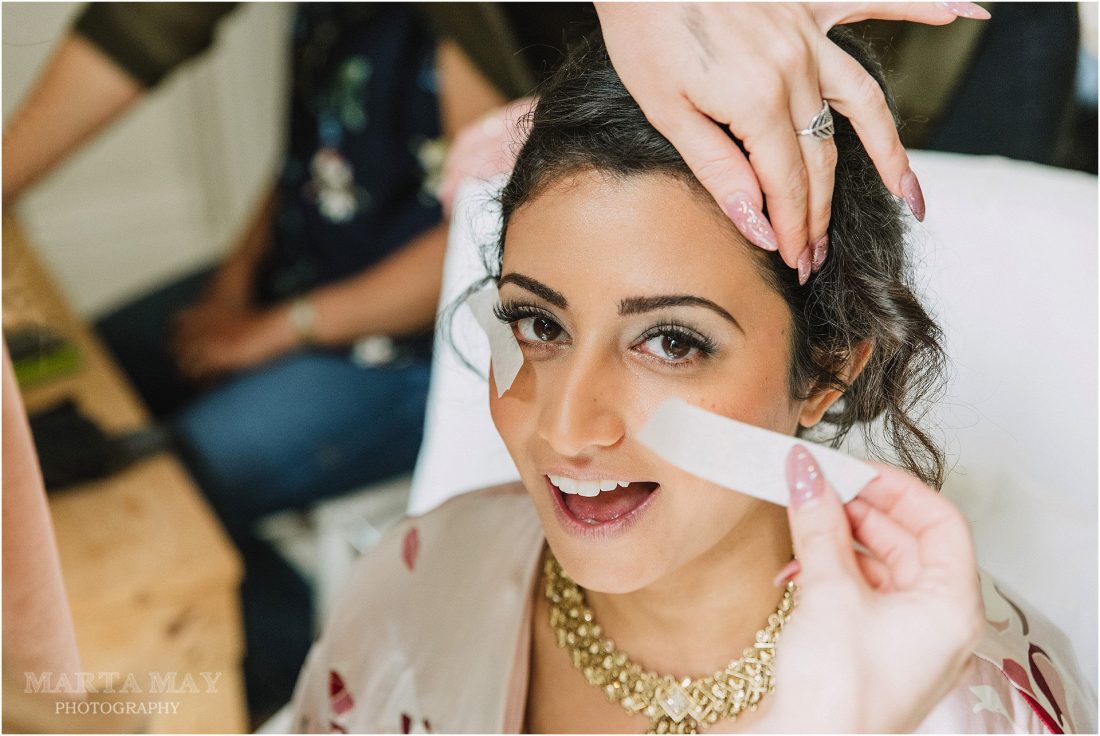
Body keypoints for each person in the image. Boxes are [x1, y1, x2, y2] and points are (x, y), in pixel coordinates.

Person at [286, 28, 1094, 733]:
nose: (566, 429)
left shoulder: (974, 703)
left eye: (671, 341)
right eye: (539, 325)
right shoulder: (412, 593)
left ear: (826, 369)